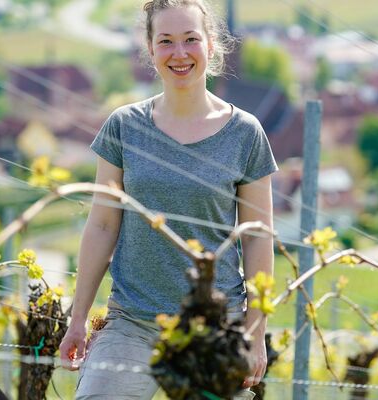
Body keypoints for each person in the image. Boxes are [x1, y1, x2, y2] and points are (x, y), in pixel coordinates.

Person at [58, 0, 278, 398]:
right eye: (166, 41)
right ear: (151, 50)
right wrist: (77, 319)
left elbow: (259, 237)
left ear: (211, 46)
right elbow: (103, 225)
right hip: (133, 322)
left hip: (214, 325)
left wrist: (255, 330)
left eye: (191, 39)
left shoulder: (246, 133)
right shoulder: (124, 126)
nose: (180, 53)